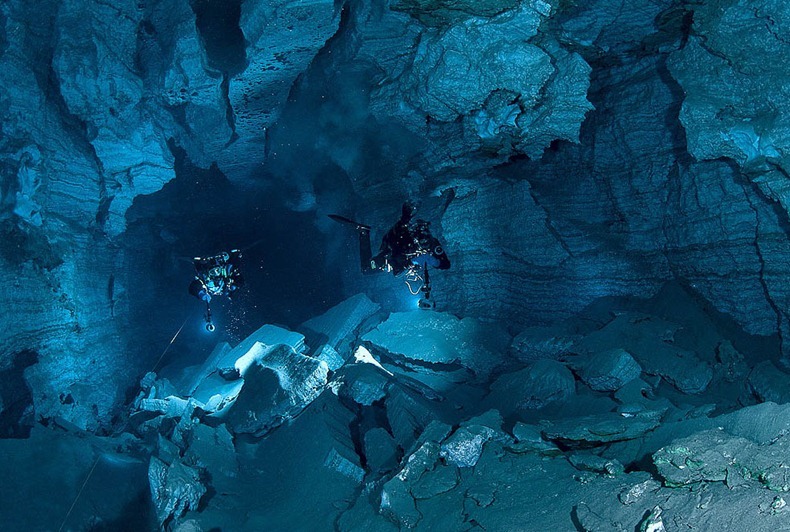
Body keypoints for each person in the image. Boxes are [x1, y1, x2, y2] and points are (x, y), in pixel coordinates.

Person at [331, 202, 450, 308]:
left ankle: (364, 233)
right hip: (390, 256)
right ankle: (364, 233)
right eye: (421, 241)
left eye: (425, 242)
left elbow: (446, 264)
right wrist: (411, 262)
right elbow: (396, 258)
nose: (423, 244)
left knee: (369, 269)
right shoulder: (406, 237)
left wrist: (432, 260)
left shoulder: (432, 243)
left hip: (399, 259)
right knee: (367, 269)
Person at [188, 249, 244, 330]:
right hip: (218, 294)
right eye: (212, 272)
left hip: (225, 290)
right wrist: (201, 293)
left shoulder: (226, 272)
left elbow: (240, 280)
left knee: (234, 294)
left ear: (221, 269)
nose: (216, 274)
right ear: (208, 273)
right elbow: (193, 287)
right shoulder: (204, 279)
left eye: (217, 270)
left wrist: (235, 285)